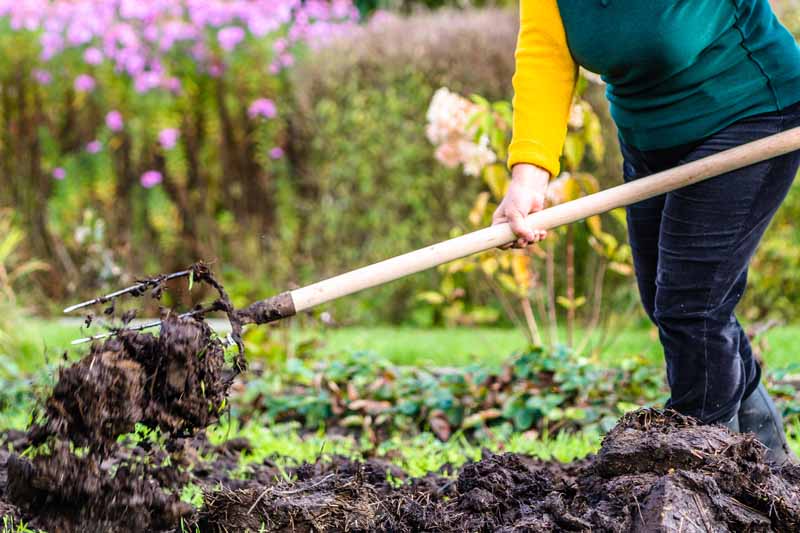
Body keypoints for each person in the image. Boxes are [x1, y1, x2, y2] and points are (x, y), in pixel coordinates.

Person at [493, 0, 800, 465]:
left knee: (691, 307)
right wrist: (528, 177)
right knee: (673, 305)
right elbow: (545, 56)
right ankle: (768, 463)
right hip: (650, 138)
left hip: (750, 114)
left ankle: (704, 472)